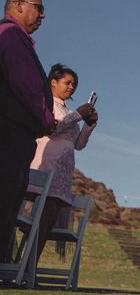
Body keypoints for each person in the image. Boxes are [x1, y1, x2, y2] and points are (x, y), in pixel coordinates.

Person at [0, 0, 55, 263]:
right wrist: (47, 118)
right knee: (5, 198)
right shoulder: (10, 35)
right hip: (9, 133)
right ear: (19, 5)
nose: (43, 16)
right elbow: (26, 85)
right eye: (39, 8)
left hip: (14, 133)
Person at [28, 64, 97, 262]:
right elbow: (52, 129)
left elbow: (78, 144)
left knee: (48, 219)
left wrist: (88, 125)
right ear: (53, 82)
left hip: (62, 172)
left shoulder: (68, 110)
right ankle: (22, 262)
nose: (71, 87)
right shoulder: (48, 103)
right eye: (67, 83)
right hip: (46, 164)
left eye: (73, 84)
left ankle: (30, 265)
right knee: (38, 218)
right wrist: (77, 115)